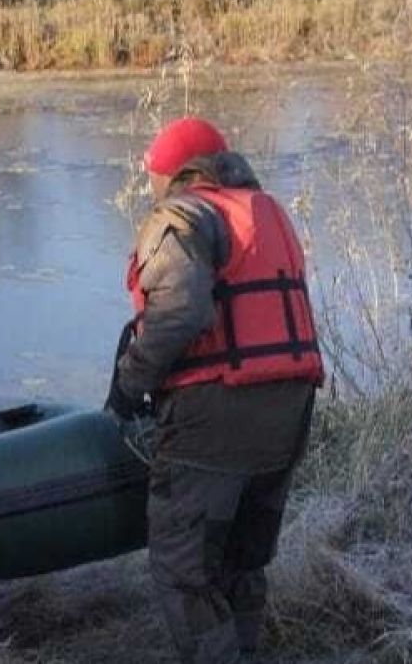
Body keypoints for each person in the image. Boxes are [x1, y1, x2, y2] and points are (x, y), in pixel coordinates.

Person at [105, 118, 323, 663]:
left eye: (153, 175)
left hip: (217, 414)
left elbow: (181, 310)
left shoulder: (180, 214)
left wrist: (129, 385)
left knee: (183, 573)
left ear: (173, 172)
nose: (150, 186)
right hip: (289, 409)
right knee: (240, 563)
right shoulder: (266, 209)